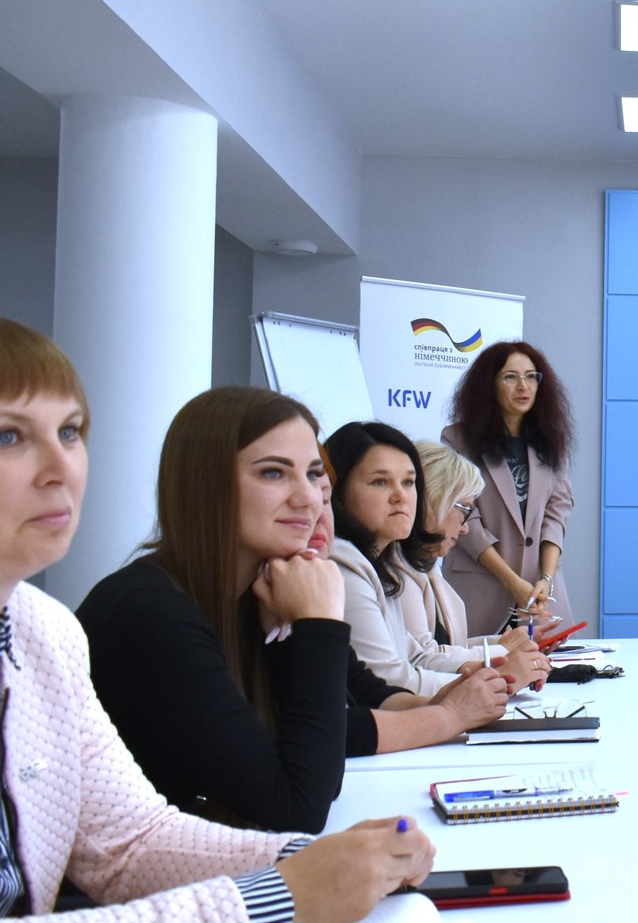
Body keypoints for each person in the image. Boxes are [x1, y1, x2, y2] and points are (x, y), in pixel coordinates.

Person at [0, 316, 435, 923]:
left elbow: (129, 843)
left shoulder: (44, 632)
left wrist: (321, 861)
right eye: (7, 437)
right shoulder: (141, 609)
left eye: (70, 432)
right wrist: (277, 898)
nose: (60, 468)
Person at [80, 388, 512, 834]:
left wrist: (448, 708)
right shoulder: (153, 614)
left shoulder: (254, 596)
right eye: (274, 473)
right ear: (204, 484)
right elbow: (298, 804)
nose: (309, 499)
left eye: (314, 477)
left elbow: (322, 741)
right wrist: (318, 624)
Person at [325, 422, 545, 695]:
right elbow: (389, 681)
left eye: (408, 483)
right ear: (337, 492)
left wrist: (497, 661)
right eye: (379, 482)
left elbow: (415, 657)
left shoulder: (378, 564)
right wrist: (500, 675)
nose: (401, 496)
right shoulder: (345, 565)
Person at [442, 341, 576, 639]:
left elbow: (557, 514)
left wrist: (546, 579)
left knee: (554, 666)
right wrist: (513, 582)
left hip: (541, 595)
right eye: (510, 377)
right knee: (476, 664)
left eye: (531, 376)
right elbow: (466, 520)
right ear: (488, 384)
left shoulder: (551, 440)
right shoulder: (458, 439)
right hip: (479, 591)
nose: (523, 386)